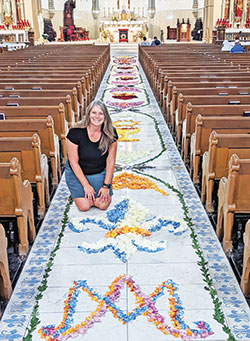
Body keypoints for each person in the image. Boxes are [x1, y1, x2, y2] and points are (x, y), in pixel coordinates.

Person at [65, 99, 118, 211]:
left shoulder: (110, 133)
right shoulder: (75, 132)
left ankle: (93, 192)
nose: (97, 116)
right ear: (88, 114)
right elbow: (73, 162)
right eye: (94, 113)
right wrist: (86, 186)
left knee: (102, 205)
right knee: (85, 206)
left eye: (101, 113)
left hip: (99, 171)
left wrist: (106, 186)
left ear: (105, 116)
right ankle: (81, 191)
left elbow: (111, 160)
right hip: (78, 173)